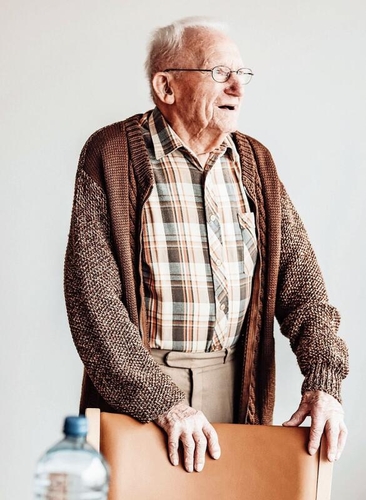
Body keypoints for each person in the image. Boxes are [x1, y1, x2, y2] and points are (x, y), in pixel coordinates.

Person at [64, 16, 349, 474]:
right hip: (139, 390)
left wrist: (324, 384)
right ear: (166, 85)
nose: (238, 86)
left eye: (242, 74)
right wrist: (160, 400)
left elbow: (304, 291)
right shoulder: (111, 153)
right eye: (219, 72)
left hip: (235, 384)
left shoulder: (256, 162)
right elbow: (91, 300)